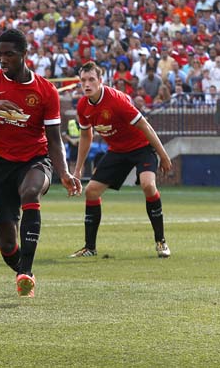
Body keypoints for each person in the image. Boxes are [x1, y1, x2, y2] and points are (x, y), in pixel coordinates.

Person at [0, 29, 82, 298]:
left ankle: (25, 272)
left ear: (24, 54)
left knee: (31, 192)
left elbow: (54, 141)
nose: (2, 60)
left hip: (35, 159)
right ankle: (24, 271)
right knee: (7, 243)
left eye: (9, 54)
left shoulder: (46, 91)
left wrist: (64, 172)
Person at [69, 61, 172, 259]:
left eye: (91, 80)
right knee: (91, 192)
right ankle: (89, 248)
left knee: (148, 185)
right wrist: (78, 169)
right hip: (117, 151)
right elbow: (85, 136)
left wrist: (163, 155)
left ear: (101, 81)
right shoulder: (83, 106)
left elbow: (145, 127)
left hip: (142, 147)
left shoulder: (116, 100)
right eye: (83, 80)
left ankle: (161, 242)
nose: (87, 84)